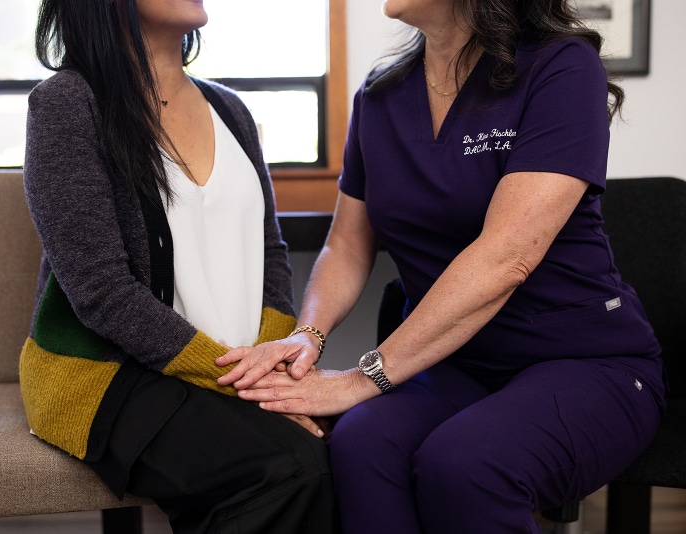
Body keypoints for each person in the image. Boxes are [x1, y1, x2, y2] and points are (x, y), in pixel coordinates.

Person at [218, 0, 667, 532]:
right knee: (361, 445)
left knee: (465, 465)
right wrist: (308, 335)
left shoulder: (560, 65)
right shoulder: (380, 95)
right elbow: (347, 245)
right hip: (453, 364)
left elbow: (507, 257)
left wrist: (360, 379)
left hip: (584, 361)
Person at [18, 0, 337, 532]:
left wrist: (269, 361)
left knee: (346, 444)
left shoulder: (230, 110)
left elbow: (271, 252)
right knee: (291, 469)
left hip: (236, 366)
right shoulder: (66, 104)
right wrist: (244, 380)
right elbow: (102, 292)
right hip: (115, 373)